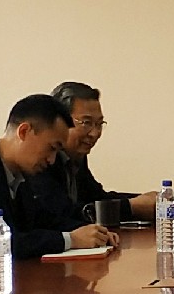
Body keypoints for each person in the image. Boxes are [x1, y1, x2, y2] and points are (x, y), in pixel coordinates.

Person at [0, 93, 118, 276]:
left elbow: (43, 219)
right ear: (24, 132)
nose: (52, 160)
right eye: (51, 148)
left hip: (10, 277)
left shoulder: (18, 171)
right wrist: (71, 239)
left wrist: (92, 232)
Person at [40, 81, 158, 223]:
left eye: (99, 124)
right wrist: (132, 207)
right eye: (86, 123)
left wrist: (144, 200)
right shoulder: (43, 159)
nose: (94, 133)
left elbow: (97, 198)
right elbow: (63, 213)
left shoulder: (76, 156)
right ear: (60, 122)